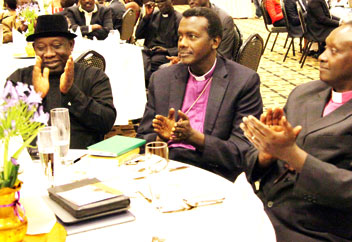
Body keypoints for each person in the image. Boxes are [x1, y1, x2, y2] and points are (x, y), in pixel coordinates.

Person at [241, 20, 352, 241]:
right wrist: (266, 153)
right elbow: (253, 161)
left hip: (318, 230)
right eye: (325, 47)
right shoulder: (304, 93)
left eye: (334, 51)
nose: (322, 56)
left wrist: (292, 155)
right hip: (265, 210)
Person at [136, 7, 263, 181]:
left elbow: (243, 153)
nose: (182, 43)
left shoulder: (243, 82)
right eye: (180, 36)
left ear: (215, 42)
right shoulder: (161, 79)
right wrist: (161, 138)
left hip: (213, 174)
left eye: (192, 36)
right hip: (166, 168)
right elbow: (142, 139)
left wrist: (194, 137)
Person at [7, 15, 116, 149]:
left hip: (83, 161)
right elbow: (6, 127)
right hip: (31, 161)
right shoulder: (19, 78)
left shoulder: (93, 76)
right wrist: (34, 98)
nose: (49, 53)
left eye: (57, 46)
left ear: (71, 45)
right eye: (41, 47)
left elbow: (106, 123)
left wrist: (72, 91)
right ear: (34, 49)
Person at [135, 0, 182, 86]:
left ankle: (149, 87)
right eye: (158, 2)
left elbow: (182, 45)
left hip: (166, 53)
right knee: (136, 59)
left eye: (162, 1)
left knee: (151, 63)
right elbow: (138, 35)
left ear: (171, 1)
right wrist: (147, 17)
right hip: (149, 51)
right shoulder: (153, 15)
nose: (160, 5)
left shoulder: (179, 19)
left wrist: (166, 50)